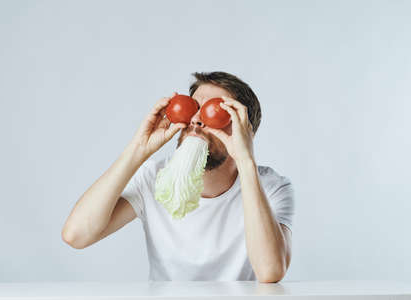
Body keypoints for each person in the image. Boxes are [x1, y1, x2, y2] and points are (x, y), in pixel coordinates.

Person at [61, 71, 295, 283]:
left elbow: (270, 271)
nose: (196, 120)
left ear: (244, 130)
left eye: (215, 112)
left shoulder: (271, 187)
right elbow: (76, 235)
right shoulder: (154, 178)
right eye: (193, 110)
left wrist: (246, 162)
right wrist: (138, 149)